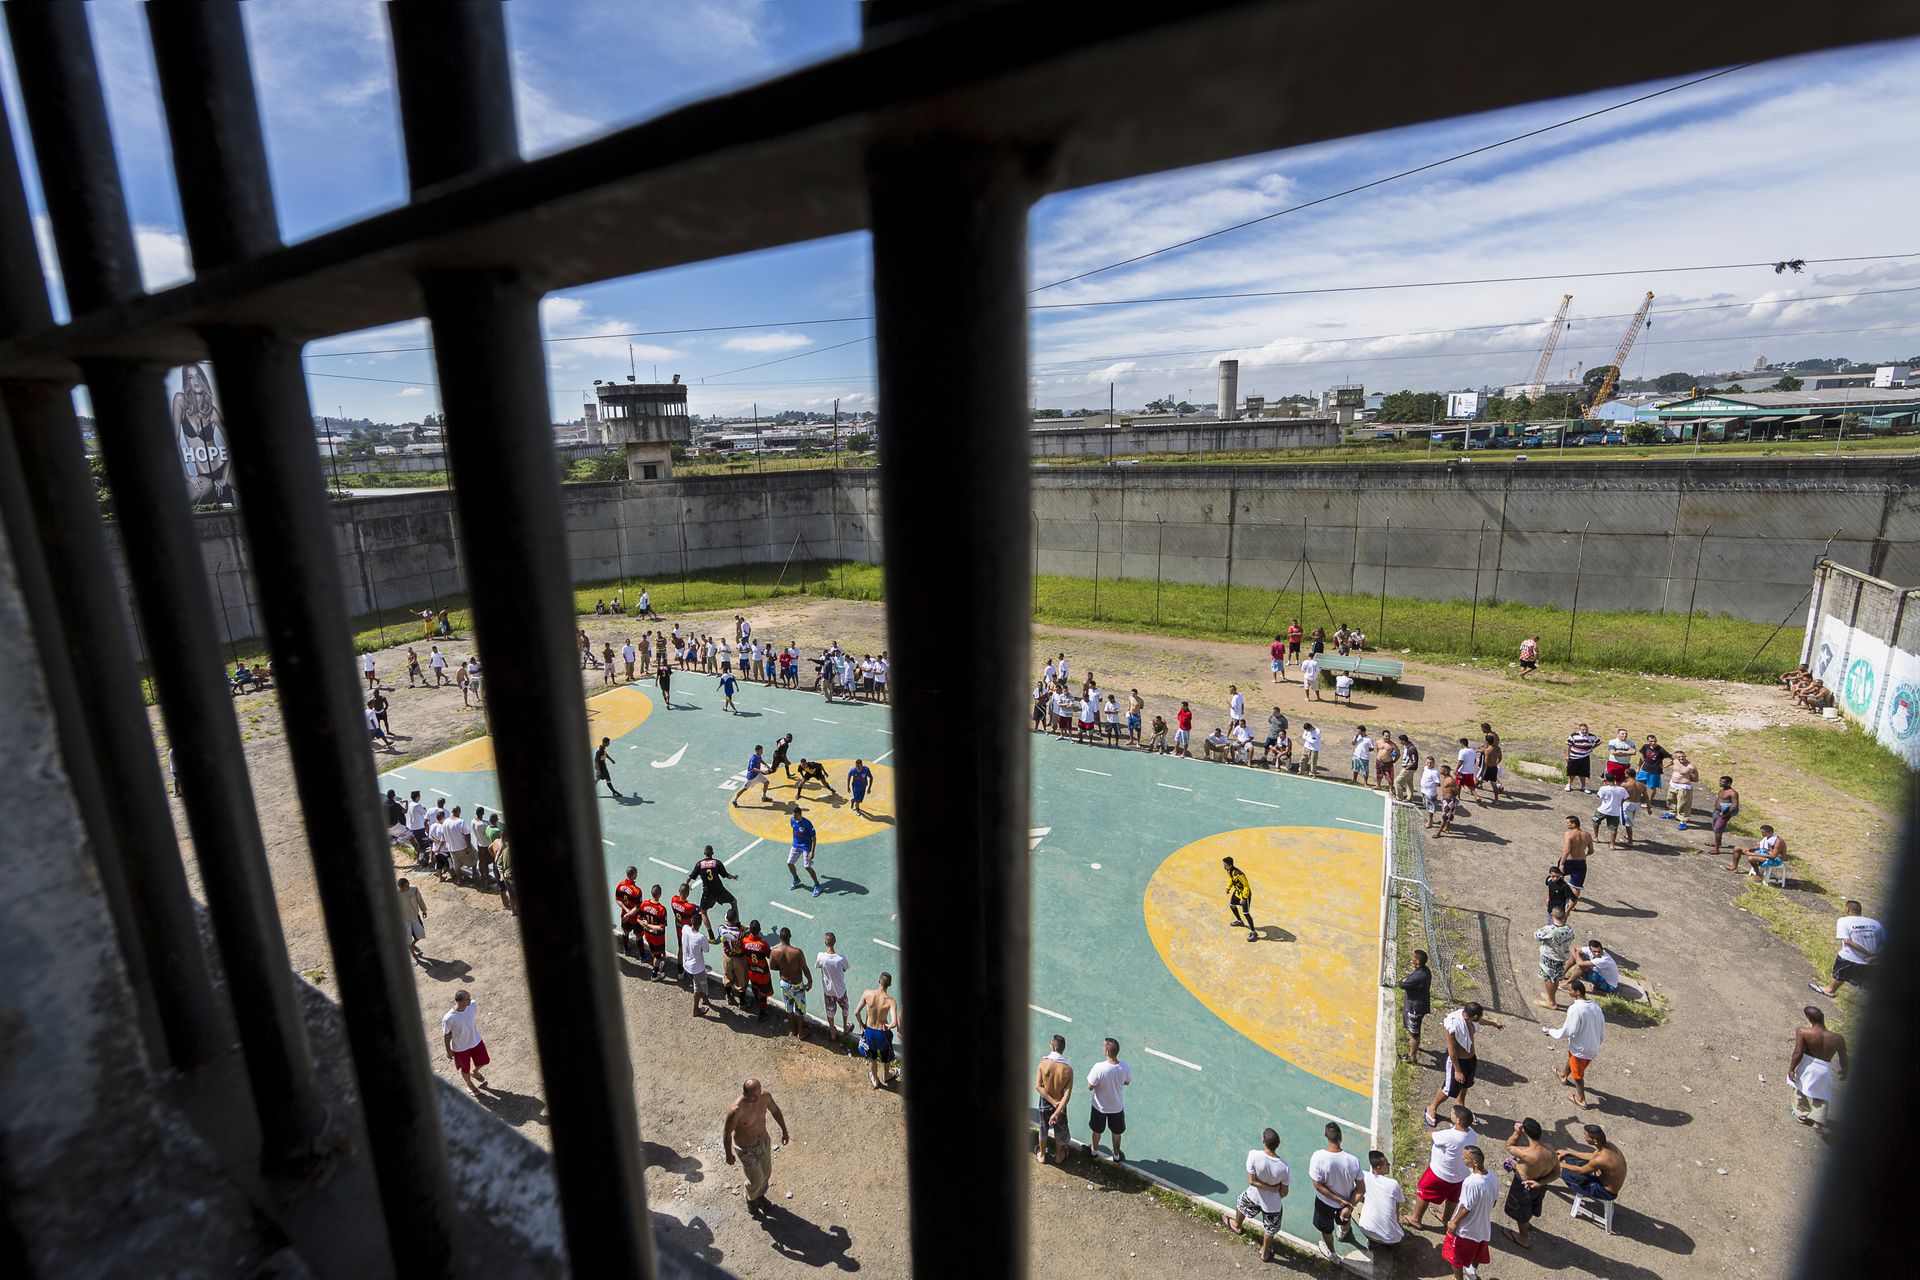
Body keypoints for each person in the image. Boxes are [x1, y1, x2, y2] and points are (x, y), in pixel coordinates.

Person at [1221, 1128, 1290, 1264]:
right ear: (1279, 1143)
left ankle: (1237, 1225)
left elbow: (1252, 1181)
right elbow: (1284, 1192)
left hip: (1253, 1195)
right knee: (1270, 1228)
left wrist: (1267, 1188)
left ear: (1263, 1140)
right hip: (1273, 1203)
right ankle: (1265, 1252)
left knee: (1241, 1204)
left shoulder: (1253, 1155)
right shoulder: (1284, 1167)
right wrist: (1273, 1191)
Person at [723, 1078, 790, 1215]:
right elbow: (727, 1133)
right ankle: (750, 1198)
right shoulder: (736, 1110)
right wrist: (728, 1154)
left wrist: (784, 1131)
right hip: (746, 1149)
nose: (757, 1097)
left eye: (758, 1093)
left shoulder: (764, 1097)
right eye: (754, 1095)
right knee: (756, 1179)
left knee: (766, 1173)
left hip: (763, 1142)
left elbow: (775, 1111)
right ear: (745, 1093)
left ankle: (759, 1196)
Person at [1425, 1003, 1501, 1125]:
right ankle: (1432, 1107)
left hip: (1471, 1060)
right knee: (1448, 1089)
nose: (1481, 1018)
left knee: (1465, 1085)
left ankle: (1460, 1105)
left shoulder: (1470, 1018)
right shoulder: (1453, 1026)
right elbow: (1452, 1051)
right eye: (1480, 1016)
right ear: (1474, 1016)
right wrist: (1457, 1070)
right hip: (1457, 1062)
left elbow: (1481, 1021)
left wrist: (1494, 1024)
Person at [1408, 1104, 1477, 1230]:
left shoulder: (1449, 1136)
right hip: (1460, 1175)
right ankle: (1446, 1219)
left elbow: (1431, 1136)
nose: (1450, 1113)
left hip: (1439, 1173)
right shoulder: (1472, 1133)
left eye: (1452, 1113)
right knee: (1453, 1197)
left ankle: (1415, 1219)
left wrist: (1425, 1132)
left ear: (1458, 1120)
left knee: (1423, 1191)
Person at [1500, 1118, 1558, 1250]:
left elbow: (1509, 1146)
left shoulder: (1527, 1153)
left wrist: (1517, 1133)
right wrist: (1539, 1183)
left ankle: (1523, 1238)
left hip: (1523, 1187)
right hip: (1539, 1186)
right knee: (1531, 1207)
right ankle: (1526, 1223)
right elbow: (1556, 1173)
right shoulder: (1550, 1149)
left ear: (1526, 1132)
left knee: (1520, 1213)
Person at [1308, 1121, 1363, 1260]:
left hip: (1324, 1204)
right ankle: (1343, 1232)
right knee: (1344, 1220)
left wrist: (1338, 1200)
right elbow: (1361, 1188)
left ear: (1325, 1135)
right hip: (1346, 1205)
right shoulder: (1353, 1160)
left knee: (1326, 1230)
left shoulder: (1318, 1157)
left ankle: (1332, 1253)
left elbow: (1318, 1185)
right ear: (1341, 1137)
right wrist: (1349, 1206)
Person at [1548, 979, 1606, 1107]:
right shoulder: (1596, 1007)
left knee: (1578, 1075)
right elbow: (1602, 1029)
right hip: (1592, 1046)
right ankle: (1563, 1075)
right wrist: (1598, 1042)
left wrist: (1551, 1032)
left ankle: (1581, 1099)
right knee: (1572, 1058)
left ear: (1577, 992)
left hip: (1581, 1049)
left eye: (1570, 990)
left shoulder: (1575, 1009)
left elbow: (1568, 1030)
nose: (1568, 992)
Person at [1789, 1005, 1848, 1129]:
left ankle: (1801, 1115)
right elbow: (1843, 1058)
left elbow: (1798, 1052)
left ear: (1809, 1018)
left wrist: (1791, 1069)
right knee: (1822, 1094)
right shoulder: (1838, 1038)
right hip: (1824, 1068)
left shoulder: (1803, 1032)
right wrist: (1845, 1071)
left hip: (1808, 1065)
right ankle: (1818, 1121)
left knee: (1799, 1088)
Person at [1443, 1146, 1497, 1279]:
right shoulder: (1492, 1177)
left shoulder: (1471, 1182)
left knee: (1456, 1260)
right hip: (1483, 1229)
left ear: (1475, 1163)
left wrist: (1454, 1222)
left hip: (1466, 1230)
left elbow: (1466, 1207)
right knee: (1477, 1253)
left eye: (1465, 1157)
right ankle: (1472, 1272)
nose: (1463, 1158)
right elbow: (1494, 1202)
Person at [1812, 899, 1884, 996]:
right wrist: (1875, 956)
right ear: (1860, 910)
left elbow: (1847, 941)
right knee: (1869, 985)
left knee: (1840, 974)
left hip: (1850, 958)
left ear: (1847, 909)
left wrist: (1867, 953)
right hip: (1871, 962)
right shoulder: (1876, 923)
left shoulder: (1844, 921)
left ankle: (1830, 990)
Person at [1086, 1037, 1132, 1162]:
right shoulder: (1125, 1067)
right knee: (1117, 1133)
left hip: (1099, 1108)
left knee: (1097, 1131)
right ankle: (1116, 1156)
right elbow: (1127, 1082)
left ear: (1107, 1052)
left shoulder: (1098, 1067)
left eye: (1103, 1046)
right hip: (1117, 1107)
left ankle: (1094, 1152)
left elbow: (1090, 1086)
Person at [441, 989, 490, 1098]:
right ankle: (469, 1085)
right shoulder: (448, 1018)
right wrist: (449, 1051)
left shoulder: (472, 1005)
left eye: (469, 997)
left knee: (485, 1060)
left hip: (476, 1041)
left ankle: (475, 1072)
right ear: (459, 1002)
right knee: (465, 1069)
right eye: (467, 999)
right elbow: (447, 1035)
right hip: (460, 1048)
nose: (470, 1000)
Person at [1558, 1124, 1626, 1202]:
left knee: (1562, 1171)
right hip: (1600, 1176)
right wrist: (1568, 1153)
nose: (1584, 1137)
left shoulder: (1601, 1159)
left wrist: (1561, 1165)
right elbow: (1592, 1156)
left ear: (1595, 1141)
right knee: (1567, 1158)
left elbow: (1581, 1170)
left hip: (1604, 1191)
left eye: (1586, 1136)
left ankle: (1547, 1175)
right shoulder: (1608, 1145)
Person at [855, 972, 900, 1088]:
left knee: (873, 1057)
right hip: (881, 1033)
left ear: (879, 981)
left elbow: (856, 1012)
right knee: (886, 1056)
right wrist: (888, 1026)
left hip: (869, 1031)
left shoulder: (867, 993)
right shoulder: (891, 1001)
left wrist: (862, 1024)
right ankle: (886, 1075)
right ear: (889, 985)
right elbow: (894, 1023)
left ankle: (874, 1079)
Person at [1353, 1149, 1404, 1250]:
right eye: (1387, 1164)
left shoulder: (1364, 1177)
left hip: (1368, 1231)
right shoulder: (1393, 1184)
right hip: (1393, 1239)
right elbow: (1396, 1210)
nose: (1389, 1165)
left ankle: (1373, 1240)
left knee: (1355, 1203)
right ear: (1379, 1168)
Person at [1034, 1034, 1074, 1164]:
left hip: (1045, 1102)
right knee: (1059, 1131)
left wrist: (1051, 1101)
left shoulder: (1043, 1063)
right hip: (1060, 1105)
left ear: (1052, 1046)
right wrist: (1056, 1110)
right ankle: (1059, 1156)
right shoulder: (1068, 1069)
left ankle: (1042, 1154)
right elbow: (1067, 1096)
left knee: (1043, 1128)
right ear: (1063, 1049)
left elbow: (1038, 1086)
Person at [769, 926, 813, 1037]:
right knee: (799, 1009)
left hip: (784, 984)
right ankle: (801, 1033)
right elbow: (805, 968)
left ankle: (793, 1030)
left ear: (780, 937)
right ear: (790, 937)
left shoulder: (774, 951)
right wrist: (810, 981)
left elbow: (773, 967)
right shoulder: (797, 952)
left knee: (788, 1007)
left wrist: (784, 968)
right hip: (797, 985)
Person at [691, 845, 738, 941]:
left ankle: (711, 935)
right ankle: (737, 926)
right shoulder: (717, 863)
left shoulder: (699, 864)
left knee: (703, 912)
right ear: (713, 853)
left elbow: (690, 877)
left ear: (704, 853)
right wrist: (733, 877)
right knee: (733, 902)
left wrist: (687, 884)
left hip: (707, 894)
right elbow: (726, 875)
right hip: (719, 891)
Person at [1534, 906, 1575, 1011]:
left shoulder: (1549, 930)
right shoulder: (1569, 929)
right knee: (1555, 979)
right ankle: (1551, 996)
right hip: (1561, 958)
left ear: (1552, 915)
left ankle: (1551, 1002)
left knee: (1548, 979)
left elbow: (1537, 935)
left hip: (1549, 958)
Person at [1400, 949, 1433, 1065]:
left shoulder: (1419, 976)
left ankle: (1412, 1057)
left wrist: (1405, 980)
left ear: (1417, 961)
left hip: (1415, 1008)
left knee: (1415, 1033)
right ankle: (1411, 1043)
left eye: (1413, 957)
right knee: (1412, 1028)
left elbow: (1402, 983)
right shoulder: (1425, 971)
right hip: (1417, 1005)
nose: (1411, 958)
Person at [817, 932, 852, 1038]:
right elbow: (845, 969)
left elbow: (818, 965)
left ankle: (832, 1031)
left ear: (825, 942)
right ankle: (845, 1027)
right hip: (840, 991)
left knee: (830, 1011)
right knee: (845, 1008)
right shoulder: (841, 959)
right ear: (835, 942)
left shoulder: (821, 957)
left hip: (828, 991)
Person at [741, 919, 774, 1020]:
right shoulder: (763, 945)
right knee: (764, 995)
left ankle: (757, 1001)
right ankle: (761, 1014)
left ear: (749, 930)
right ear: (759, 929)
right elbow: (769, 956)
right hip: (763, 974)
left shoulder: (744, 941)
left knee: (755, 988)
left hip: (751, 972)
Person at [1559, 815, 1594, 909]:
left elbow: (1567, 850)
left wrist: (1561, 863)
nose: (1566, 824)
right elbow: (1591, 850)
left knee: (1558, 878)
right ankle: (1571, 906)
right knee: (1577, 886)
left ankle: (1560, 898)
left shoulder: (1568, 834)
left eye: (1567, 823)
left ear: (1573, 824)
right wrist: (1584, 855)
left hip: (1569, 861)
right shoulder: (1587, 835)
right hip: (1581, 862)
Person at [786, 806, 822, 896]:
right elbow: (794, 830)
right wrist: (794, 840)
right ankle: (796, 879)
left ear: (799, 815)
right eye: (793, 815)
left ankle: (817, 885)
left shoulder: (807, 824)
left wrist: (812, 851)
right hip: (796, 845)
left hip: (806, 847)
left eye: (795, 816)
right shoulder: (792, 820)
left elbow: (813, 838)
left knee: (807, 867)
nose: (794, 817)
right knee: (789, 863)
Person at [681, 917, 712, 1016]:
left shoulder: (685, 928)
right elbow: (706, 950)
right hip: (697, 968)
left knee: (698, 983)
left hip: (686, 964)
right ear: (700, 924)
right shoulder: (701, 937)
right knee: (698, 988)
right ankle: (696, 1009)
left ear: (691, 921)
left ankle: (704, 998)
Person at [717, 908, 747, 1007]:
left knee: (727, 977)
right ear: (735, 920)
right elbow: (745, 935)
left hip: (727, 957)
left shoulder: (721, 929)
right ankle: (742, 1003)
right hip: (739, 959)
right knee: (742, 980)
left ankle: (729, 997)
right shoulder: (740, 932)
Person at [637, 885, 669, 980]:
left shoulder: (644, 904)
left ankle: (657, 962)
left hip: (648, 935)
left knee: (654, 951)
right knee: (659, 956)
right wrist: (648, 926)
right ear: (660, 894)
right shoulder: (661, 909)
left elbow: (638, 919)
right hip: (658, 938)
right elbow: (661, 928)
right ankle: (655, 974)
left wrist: (645, 926)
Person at [1223, 856, 1258, 942]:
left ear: (1230, 865)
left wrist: (1244, 898)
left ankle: (1253, 932)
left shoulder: (1239, 874)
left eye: (1225, 865)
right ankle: (1239, 921)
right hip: (1237, 892)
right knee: (1232, 905)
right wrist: (1228, 887)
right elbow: (1230, 879)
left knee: (1246, 913)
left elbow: (1246, 886)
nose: (1224, 866)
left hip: (1244, 895)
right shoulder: (1229, 871)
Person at [1663, 749, 1700, 828]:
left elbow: (1696, 779)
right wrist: (1666, 765)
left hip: (1683, 787)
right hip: (1673, 785)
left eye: (1683, 757)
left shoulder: (1690, 767)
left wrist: (1684, 779)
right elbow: (1672, 761)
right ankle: (1672, 813)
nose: (1681, 759)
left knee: (1683, 804)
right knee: (1670, 799)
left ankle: (1683, 820)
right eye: (1679, 757)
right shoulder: (1675, 761)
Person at [615, 866, 645, 958]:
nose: (637, 874)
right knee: (639, 936)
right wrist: (630, 913)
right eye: (636, 873)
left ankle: (626, 950)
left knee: (625, 932)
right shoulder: (637, 891)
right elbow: (638, 906)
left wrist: (626, 910)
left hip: (624, 916)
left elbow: (618, 900)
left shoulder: (620, 885)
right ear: (633, 875)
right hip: (635, 919)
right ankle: (643, 956)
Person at [1709, 775, 1740, 860]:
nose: (1720, 783)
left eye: (1722, 782)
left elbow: (1735, 805)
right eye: (1720, 781)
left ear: (1729, 783)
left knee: (1718, 829)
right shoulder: (1722, 790)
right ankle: (1718, 843)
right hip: (1716, 811)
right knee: (1714, 827)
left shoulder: (1732, 793)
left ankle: (1717, 849)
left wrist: (1726, 814)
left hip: (1724, 814)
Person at [399, 877, 428, 966]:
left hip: (415, 916)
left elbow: (420, 900)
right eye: (405, 887)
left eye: (408, 885)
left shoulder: (414, 889)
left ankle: (412, 946)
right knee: (408, 939)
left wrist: (424, 910)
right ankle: (414, 955)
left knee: (420, 934)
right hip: (403, 920)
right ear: (400, 887)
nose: (407, 887)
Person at [1592, 775, 1628, 848]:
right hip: (1615, 812)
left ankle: (1595, 837)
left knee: (1595, 822)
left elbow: (1599, 796)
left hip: (1603, 810)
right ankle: (1612, 844)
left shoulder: (1603, 788)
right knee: (1614, 828)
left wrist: (1603, 784)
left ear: (1606, 780)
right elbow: (1626, 797)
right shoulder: (1622, 789)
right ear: (1614, 779)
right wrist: (1620, 803)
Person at [1564, 722, 1599, 793]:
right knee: (1571, 772)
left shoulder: (1592, 736)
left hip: (1585, 757)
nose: (1585, 731)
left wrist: (1591, 748)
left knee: (1583, 773)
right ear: (1579, 729)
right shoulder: (1573, 735)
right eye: (1583, 730)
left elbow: (1598, 742)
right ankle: (1569, 785)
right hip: (1574, 757)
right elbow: (1568, 745)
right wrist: (1567, 755)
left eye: (1586, 729)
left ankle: (1583, 786)